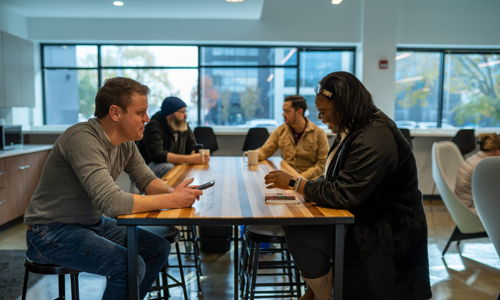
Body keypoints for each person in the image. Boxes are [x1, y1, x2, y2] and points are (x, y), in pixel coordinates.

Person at [24, 77, 203, 300]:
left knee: (158, 248)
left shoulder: (125, 143)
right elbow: (111, 203)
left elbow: (148, 181)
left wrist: (175, 193)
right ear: (116, 113)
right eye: (140, 113)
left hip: (90, 224)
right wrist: (172, 200)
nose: (147, 119)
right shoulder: (81, 139)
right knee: (129, 265)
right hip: (49, 232)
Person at [264, 71, 432, 300]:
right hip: (366, 222)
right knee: (299, 229)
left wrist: (297, 183)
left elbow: (345, 193)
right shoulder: (355, 128)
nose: (321, 118)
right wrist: (306, 186)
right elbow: (335, 177)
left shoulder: (375, 137)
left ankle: (320, 293)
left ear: (342, 106)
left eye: (323, 112)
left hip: (388, 235)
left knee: (302, 232)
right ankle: (319, 290)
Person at [257, 95, 329, 180]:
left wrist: (300, 179)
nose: (283, 114)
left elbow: (322, 164)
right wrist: (250, 155)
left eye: (286, 111)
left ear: (299, 112)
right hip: (287, 178)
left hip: (309, 182)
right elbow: (265, 151)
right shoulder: (281, 130)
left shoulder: (319, 133)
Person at [142, 96, 208, 178]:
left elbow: (192, 147)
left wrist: (199, 155)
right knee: (168, 167)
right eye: (182, 112)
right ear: (170, 114)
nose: (185, 115)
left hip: (176, 163)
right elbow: (157, 155)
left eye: (185, 112)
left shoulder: (183, 124)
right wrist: (189, 159)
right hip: (151, 165)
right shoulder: (153, 126)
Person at [455, 133, 500, 214]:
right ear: (496, 150)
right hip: (473, 211)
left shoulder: (475, 158)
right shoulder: (485, 166)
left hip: (462, 207)